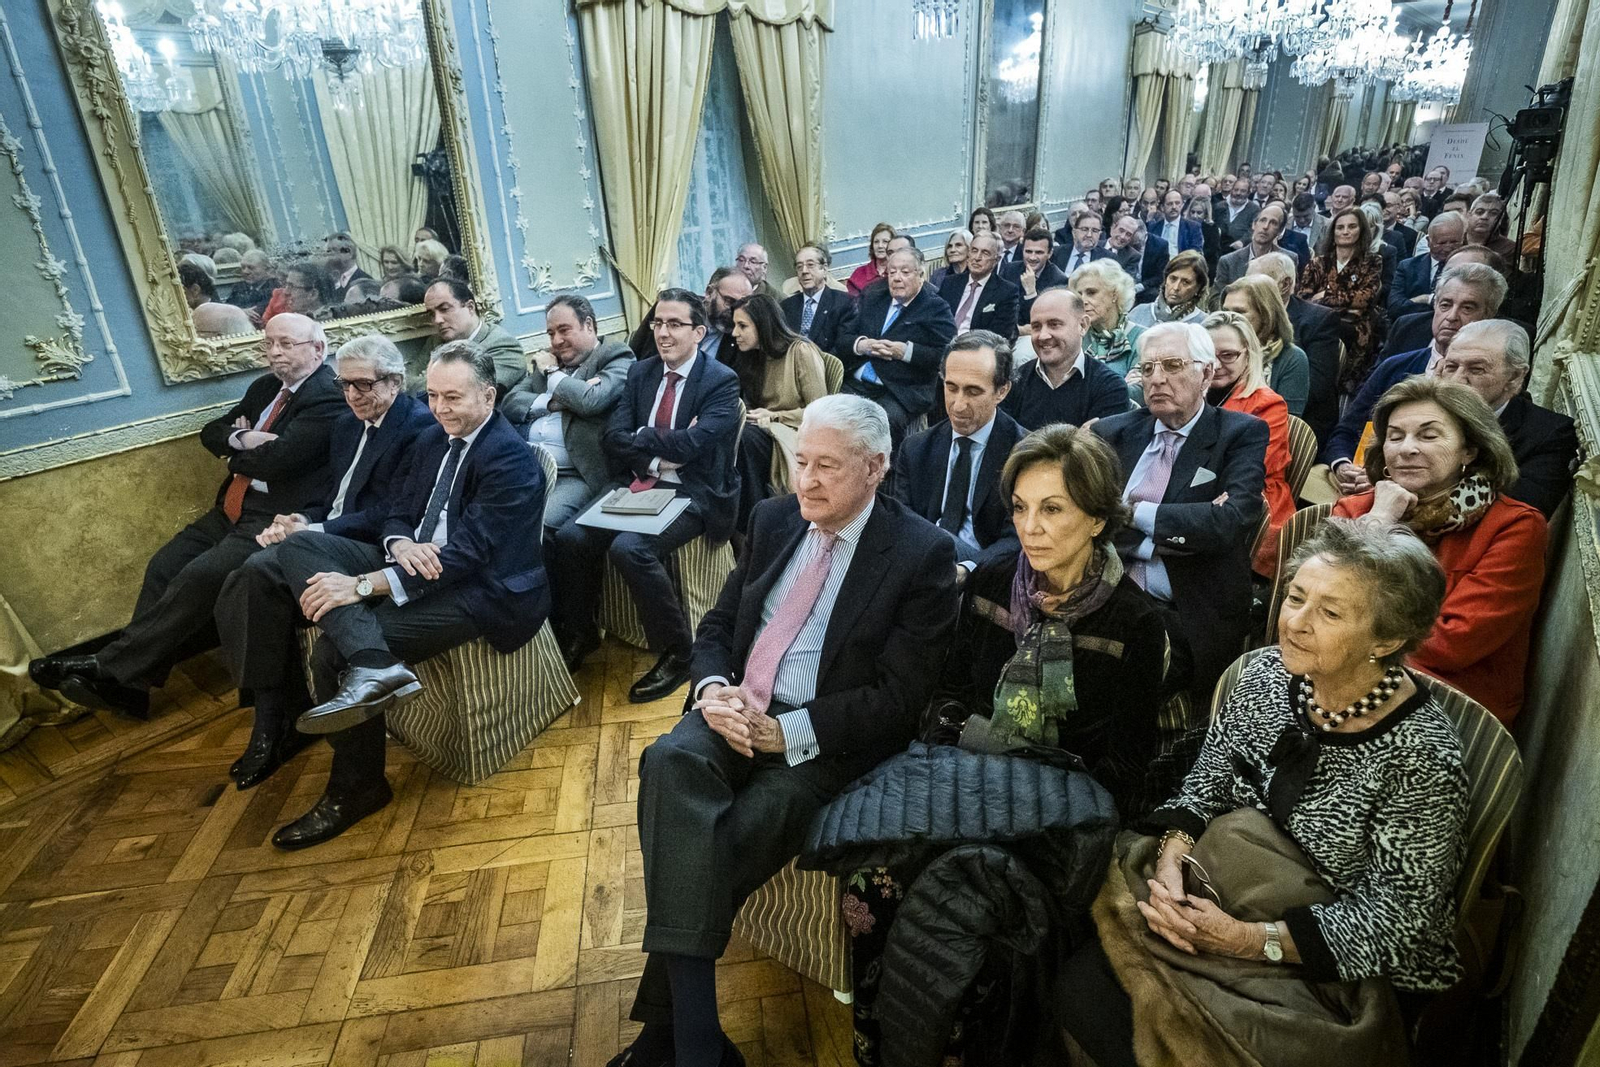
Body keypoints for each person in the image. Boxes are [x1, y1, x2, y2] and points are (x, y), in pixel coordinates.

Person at [610, 394, 959, 1067]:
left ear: (876, 467)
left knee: (719, 841)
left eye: (827, 466)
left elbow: (899, 697)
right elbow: (715, 627)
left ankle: (677, 1036)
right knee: (668, 760)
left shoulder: (920, 553)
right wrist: (712, 691)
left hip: (821, 748)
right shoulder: (774, 519)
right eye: (801, 461)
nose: (807, 480)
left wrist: (785, 732)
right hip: (736, 705)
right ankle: (699, 1043)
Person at [1061, 518, 1465, 1067]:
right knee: (1070, 964)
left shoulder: (1421, 756)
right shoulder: (1265, 674)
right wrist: (1174, 853)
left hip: (1322, 954)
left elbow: (1400, 919)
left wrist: (1249, 940)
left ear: (1387, 640)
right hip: (1217, 880)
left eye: (1330, 613)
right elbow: (1209, 778)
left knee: (1120, 1022)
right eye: (1296, 596)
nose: (1295, 622)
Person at [236, 341, 551, 848]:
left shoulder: (509, 460)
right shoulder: (431, 439)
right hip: (414, 561)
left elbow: (466, 558)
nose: (441, 409)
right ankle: (375, 663)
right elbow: (396, 512)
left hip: (485, 592)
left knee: (334, 650)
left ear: (488, 397)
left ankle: (358, 787)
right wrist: (401, 542)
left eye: (453, 397)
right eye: (432, 396)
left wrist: (361, 585)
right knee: (298, 547)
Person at [29, 314, 344, 718]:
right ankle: (132, 687)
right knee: (164, 565)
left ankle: (110, 668)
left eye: (286, 344)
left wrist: (240, 453)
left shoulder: (326, 396)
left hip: (274, 518)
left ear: (317, 349)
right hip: (231, 506)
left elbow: (278, 463)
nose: (274, 353)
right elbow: (211, 431)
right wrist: (244, 438)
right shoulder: (266, 387)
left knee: (200, 576)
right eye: (268, 344)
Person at [213, 334, 435, 789]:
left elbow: (391, 513)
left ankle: (278, 718)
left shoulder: (418, 427)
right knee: (244, 580)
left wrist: (310, 532)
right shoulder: (348, 422)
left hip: (376, 545)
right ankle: (273, 715)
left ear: (394, 382)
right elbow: (334, 496)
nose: (352, 395)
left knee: (258, 570)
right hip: (327, 534)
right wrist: (301, 517)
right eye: (344, 384)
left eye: (363, 385)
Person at [551, 289, 742, 701]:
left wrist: (647, 437)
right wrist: (658, 455)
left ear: (698, 332)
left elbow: (696, 448)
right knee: (568, 538)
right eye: (658, 323)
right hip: (641, 480)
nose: (663, 333)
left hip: (694, 490)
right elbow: (613, 438)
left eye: (674, 324)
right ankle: (583, 633)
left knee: (629, 548)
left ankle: (678, 652)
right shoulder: (642, 372)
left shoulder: (721, 381)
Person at [1333, 377, 1546, 724]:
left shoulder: (1514, 527)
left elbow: (1452, 644)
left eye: (1429, 435)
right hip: (1339, 679)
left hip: (1447, 702)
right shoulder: (1359, 511)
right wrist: (1379, 522)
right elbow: (1313, 604)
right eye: (1395, 436)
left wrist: (1343, 642)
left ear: (1470, 450)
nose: (1407, 448)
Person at [1092, 322, 1268, 698]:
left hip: (1186, 609)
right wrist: (1163, 538)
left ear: (1206, 373)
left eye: (1172, 365)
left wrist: (1130, 512)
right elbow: (1087, 516)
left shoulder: (1239, 434)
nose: (1156, 379)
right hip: (1102, 594)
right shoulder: (1112, 433)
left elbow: (1229, 521)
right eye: (1148, 368)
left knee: (1121, 671)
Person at [1323, 263, 1504, 477]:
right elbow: (1346, 431)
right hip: (1359, 477)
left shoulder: (1492, 380)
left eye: (1468, 308)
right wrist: (1342, 465)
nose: (1452, 316)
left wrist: (1384, 479)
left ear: (1489, 315)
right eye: (1445, 304)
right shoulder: (1396, 366)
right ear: (1435, 305)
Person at [501, 293, 636, 532]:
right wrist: (555, 402)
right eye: (551, 333)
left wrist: (552, 372)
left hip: (576, 473)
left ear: (589, 325)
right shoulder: (548, 359)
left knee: (537, 526)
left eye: (564, 330)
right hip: (529, 469)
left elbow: (590, 401)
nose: (556, 340)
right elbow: (511, 403)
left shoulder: (615, 355)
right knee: (491, 517)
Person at [892, 330, 1024, 574]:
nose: (958, 405)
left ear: (1002, 391)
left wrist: (968, 570)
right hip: (923, 562)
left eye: (973, 392)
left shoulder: (1024, 453)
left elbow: (1017, 539)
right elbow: (903, 521)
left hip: (988, 569)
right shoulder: (916, 448)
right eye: (951, 388)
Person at [1439, 319, 1579, 518]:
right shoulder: (1416, 412)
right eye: (1451, 367)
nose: (1456, 380)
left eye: (1476, 369)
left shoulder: (1550, 434)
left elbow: (1518, 514)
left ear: (1515, 378)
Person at [837, 246, 958, 451]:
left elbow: (946, 356)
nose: (896, 278)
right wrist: (862, 345)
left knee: (875, 428)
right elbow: (843, 338)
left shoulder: (935, 307)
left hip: (900, 390)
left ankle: (882, 478)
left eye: (905, 272)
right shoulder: (873, 296)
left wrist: (905, 352)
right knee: (830, 416)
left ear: (921, 274)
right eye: (892, 272)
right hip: (856, 382)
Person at [725, 293, 829, 530]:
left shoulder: (800, 351)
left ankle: (753, 523)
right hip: (762, 427)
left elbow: (820, 410)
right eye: (734, 325)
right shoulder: (752, 356)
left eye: (742, 326)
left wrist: (774, 417)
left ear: (763, 325)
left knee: (746, 441)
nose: (734, 333)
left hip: (795, 430)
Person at [1203, 311, 1295, 576]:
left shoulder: (1268, 403)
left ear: (1248, 355)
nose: (1216, 364)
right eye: (1208, 353)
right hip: (1201, 495)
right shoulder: (1192, 394)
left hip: (1255, 505)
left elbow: (1250, 471)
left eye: (1228, 355)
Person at [1001, 288, 1130, 430]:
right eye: (1036, 327)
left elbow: (1098, 451)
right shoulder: (1015, 381)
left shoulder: (1110, 387)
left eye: (1054, 324)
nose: (1043, 336)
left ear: (1083, 325)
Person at [1298, 207, 1384, 392]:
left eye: (1352, 226)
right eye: (1340, 227)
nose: (1345, 231)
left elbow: (1365, 298)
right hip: (1319, 321)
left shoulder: (1372, 261)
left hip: (1355, 325)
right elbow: (1304, 298)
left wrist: (1324, 297)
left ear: (1361, 230)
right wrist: (1346, 304)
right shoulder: (1318, 263)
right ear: (1333, 232)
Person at [421, 278, 529, 395]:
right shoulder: (435, 342)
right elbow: (409, 384)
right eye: (432, 314)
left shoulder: (503, 345)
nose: (437, 320)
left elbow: (470, 391)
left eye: (445, 309)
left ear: (470, 307)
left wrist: (430, 378)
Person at [1222, 275, 1309, 417]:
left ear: (1265, 315)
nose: (1228, 319)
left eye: (1239, 312)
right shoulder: (1213, 353)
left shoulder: (1292, 358)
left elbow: (1288, 421)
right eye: (1225, 311)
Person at [1070, 259, 1144, 382]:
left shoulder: (1141, 338)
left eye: (1091, 292)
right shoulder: (1074, 337)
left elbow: (1138, 390)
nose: (1083, 301)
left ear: (1114, 294)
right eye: (1079, 294)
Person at [936, 232, 1020, 341]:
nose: (977, 257)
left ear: (996, 260)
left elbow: (998, 336)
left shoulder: (1006, 292)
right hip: (943, 344)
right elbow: (936, 318)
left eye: (985, 253)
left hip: (976, 349)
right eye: (974, 251)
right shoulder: (950, 283)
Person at [1387, 211, 1466, 319]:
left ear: (1463, 239)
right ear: (1429, 241)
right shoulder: (1408, 267)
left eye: (1454, 242)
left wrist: (1416, 301)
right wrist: (1428, 299)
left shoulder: (1468, 267)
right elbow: (1394, 308)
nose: (1448, 248)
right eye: (1441, 243)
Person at [781, 243, 852, 354]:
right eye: (799, 266)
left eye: (810, 265)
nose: (804, 271)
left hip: (828, 366)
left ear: (824, 269)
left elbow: (843, 346)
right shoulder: (786, 306)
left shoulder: (843, 302)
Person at [1212, 201, 1291, 295]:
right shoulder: (1228, 261)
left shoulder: (1288, 261)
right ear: (1254, 224)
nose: (1265, 227)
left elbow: (1288, 298)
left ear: (1280, 230)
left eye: (1273, 223)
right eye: (1262, 220)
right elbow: (1216, 297)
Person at [1001, 227, 1069, 334]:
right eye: (1028, 251)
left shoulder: (1059, 280)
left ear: (1049, 254)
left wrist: (1031, 293)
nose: (1032, 257)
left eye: (1039, 253)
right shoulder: (1010, 270)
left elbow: (1042, 321)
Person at [1129, 250, 1209, 328]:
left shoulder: (1204, 324)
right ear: (1166, 279)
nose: (1176, 287)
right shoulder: (1139, 312)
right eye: (1173, 279)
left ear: (1199, 288)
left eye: (1186, 282)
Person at [1101, 217, 1168, 303]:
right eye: (1121, 230)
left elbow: (1160, 276)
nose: (1123, 237)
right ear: (1113, 228)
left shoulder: (1133, 255)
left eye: (1128, 234)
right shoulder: (1096, 246)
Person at [699, 266, 755, 366]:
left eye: (741, 305)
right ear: (709, 292)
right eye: (729, 301)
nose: (734, 310)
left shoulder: (741, 339)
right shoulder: (681, 314)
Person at [1465, 192, 1517, 263]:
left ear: (1501, 219)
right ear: (1468, 215)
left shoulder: (1509, 248)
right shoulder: (1455, 240)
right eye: (1479, 212)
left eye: (1493, 213)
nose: (1485, 217)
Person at [848, 223, 896, 298]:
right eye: (876, 242)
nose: (880, 246)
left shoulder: (898, 272)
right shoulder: (859, 273)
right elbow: (853, 305)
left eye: (885, 241)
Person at [1153, 189, 1204, 255]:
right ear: (1162, 207)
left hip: (1183, 264)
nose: (1174, 207)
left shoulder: (1192, 228)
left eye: (1177, 203)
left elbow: (1195, 254)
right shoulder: (1154, 227)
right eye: (1170, 204)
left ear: (1182, 205)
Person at [227, 250, 278, 316]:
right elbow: (226, 308)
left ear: (267, 269)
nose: (245, 271)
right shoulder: (239, 287)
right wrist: (242, 311)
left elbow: (256, 313)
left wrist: (237, 311)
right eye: (243, 267)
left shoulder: (274, 288)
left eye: (251, 268)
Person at [323, 232, 371, 302]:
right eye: (328, 251)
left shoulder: (366, 282)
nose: (328, 256)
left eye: (333, 250)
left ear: (349, 253)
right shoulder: (328, 282)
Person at [1055, 210, 1104, 275]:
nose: (1089, 235)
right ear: (1074, 233)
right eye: (1084, 229)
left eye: (1094, 231)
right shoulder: (1057, 253)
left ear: (1099, 235)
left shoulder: (1106, 258)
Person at [1220, 178, 1260, 250]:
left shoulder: (1255, 210)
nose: (1238, 193)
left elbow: (1254, 229)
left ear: (1248, 193)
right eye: (1236, 190)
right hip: (1218, 249)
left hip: (1240, 251)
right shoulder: (1219, 206)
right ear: (1231, 190)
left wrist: (1243, 241)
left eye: (1243, 191)